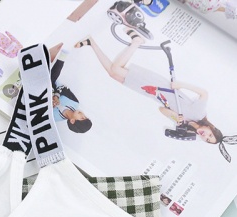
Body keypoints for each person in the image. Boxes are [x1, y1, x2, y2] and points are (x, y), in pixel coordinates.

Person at [73, 30, 223, 144]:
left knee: (113, 74)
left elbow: (161, 109)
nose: (205, 136)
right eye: (210, 135)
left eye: (207, 140)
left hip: (152, 93)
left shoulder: (184, 127)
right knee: (116, 69)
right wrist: (181, 85)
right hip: (159, 86)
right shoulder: (199, 113)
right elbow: (204, 93)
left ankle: (92, 43)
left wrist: (175, 117)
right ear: (211, 128)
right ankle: (136, 41)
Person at [49, 43, 92, 134]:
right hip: (52, 84)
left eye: (82, 118)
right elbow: (63, 88)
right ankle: (62, 55)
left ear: (72, 121)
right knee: (50, 82)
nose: (82, 114)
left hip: (41, 92)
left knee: (48, 84)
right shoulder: (75, 102)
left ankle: (62, 55)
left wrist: (49, 102)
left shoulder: (53, 117)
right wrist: (56, 96)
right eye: (85, 116)